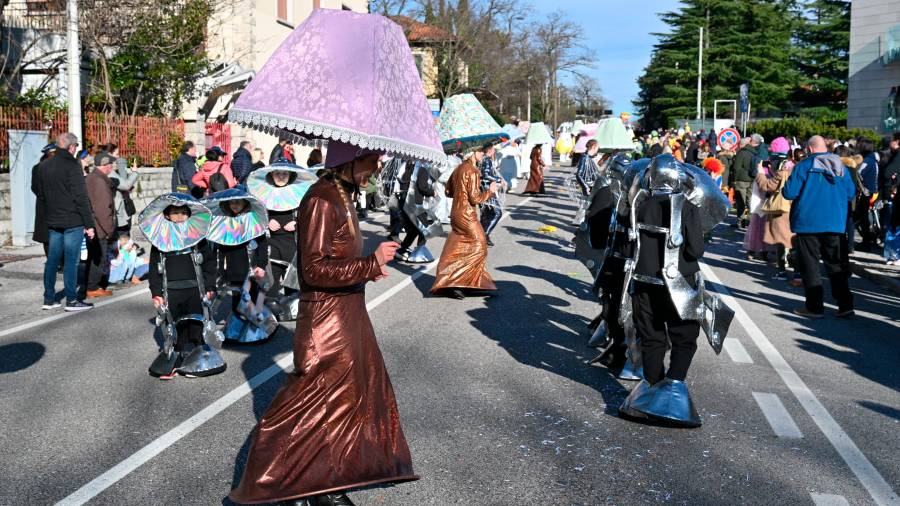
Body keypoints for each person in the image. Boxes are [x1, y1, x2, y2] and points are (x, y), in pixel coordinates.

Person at [229, 141, 416, 506]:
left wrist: (366, 269)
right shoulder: (321, 198)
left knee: (341, 401)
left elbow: (335, 256)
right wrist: (369, 263)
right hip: (325, 321)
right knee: (306, 401)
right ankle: (264, 485)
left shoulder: (343, 193)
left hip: (347, 312)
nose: (376, 168)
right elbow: (313, 269)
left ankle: (320, 485)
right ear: (349, 158)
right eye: (371, 159)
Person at [618, 154, 729, 428]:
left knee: (652, 336)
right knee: (684, 336)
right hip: (679, 283)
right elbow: (695, 250)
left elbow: (627, 245)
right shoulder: (686, 206)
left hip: (643, 282)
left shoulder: (637, 203)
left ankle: (652, 388)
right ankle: (674, 385)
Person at [144, 197, 224, 380]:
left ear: (189, 215)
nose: (179, 217)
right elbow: (153, 268)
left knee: (196, 324)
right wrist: (156, 293)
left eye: (183, 213)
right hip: (171, 290)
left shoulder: (198, 238)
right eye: (175, 213)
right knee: (173, 325)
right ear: (167, 215)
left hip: (195, 288)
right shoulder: (159, 241)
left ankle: (196, 358)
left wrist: (210, 286)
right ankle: (175, 358)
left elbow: (210, 264)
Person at [782, 135, 856, 318]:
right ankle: (845, 305)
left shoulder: (803, 166)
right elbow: (851, 193)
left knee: (810, 266)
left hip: (808, 224)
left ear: (810, 149)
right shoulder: (841, 167)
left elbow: (789, 193)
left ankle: (815, 307)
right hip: (835, 224)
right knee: (836, 266)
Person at [38, 133, 95, 311]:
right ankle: (71, 299)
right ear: (71, 147)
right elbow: (81, 197)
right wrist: (89, 224)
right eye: (76, 145)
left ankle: (49, 298)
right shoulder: (73, 165)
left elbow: (40, 192)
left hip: (53, 219)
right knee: (71, 260)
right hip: (72, 220)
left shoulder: (44, 165)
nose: (76, 148)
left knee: (52, 260)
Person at [83, 152, 118, 298]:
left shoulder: (91, 177)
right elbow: (103, 210)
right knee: (99, 257)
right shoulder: (100, 182)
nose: (112, 167)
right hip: (100, 228)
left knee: (93, 256)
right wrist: (110, 231)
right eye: (111, 164)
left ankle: (90, 285)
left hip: (93, 225)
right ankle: (92, 287)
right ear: (106, 166)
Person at [397, 160, 437, 260]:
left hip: (404, 203)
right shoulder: (422, 170)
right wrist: (432, 192)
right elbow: (423, 187)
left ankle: (401, 250)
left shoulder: (407, 169)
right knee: (425, 229)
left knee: (414, 230)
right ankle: (418, 253)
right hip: (415, 204)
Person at [104, 144, 140, 233]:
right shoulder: (109, 172)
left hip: (120, 207)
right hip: (118, 210)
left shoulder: (112, 169)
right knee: (122, 235)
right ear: (109, 154)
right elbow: (125, 185)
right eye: (116, 154)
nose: (118, 157)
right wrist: (134, 172)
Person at [31, 143, 58, 256]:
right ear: (51, 154)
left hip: (54, 206)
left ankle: (57, 261)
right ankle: (53, 261)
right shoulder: (38, 168)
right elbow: (35, 187)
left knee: (57, 234)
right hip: (46, 206)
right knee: (47, 235)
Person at [854, 138, 879, 250]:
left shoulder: (867, 161)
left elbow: (858, 173)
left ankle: (867, 241)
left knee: (862, 217)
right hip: (872, 191)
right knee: (864, 218)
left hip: (867, 192)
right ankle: (868, 239)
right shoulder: (873, 159)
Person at [478, 143, 504, 246]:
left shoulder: (482, 159)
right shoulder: (487, 159)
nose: (494, 150)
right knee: (497, 212)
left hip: (482, 188)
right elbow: (486, 174)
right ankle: (484, 234)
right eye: (493, 149)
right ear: (489, 150)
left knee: (486, 214)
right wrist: (498, 180)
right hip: (486, 189)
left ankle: (481, 236)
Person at [731, 136, 759, 228]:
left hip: (741, 180)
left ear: (742, 144)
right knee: (750, 201)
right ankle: (751, 222)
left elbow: (736, 167)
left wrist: (734, 180)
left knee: (741, 202)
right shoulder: (754, 152)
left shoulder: (741, 153)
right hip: (752, 179)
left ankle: (741, 222)